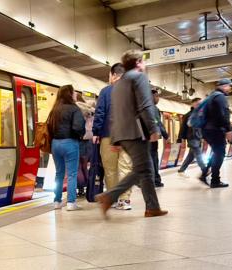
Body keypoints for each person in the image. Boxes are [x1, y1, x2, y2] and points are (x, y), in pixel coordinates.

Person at [95, 50, 168, 218]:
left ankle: (152, 207)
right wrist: (154, 129)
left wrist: (114, 139)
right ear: (138, 62)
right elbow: (145, 105)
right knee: (142, 169)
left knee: (145, 170)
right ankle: (109, 196)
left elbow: (115, 113)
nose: (145, 64)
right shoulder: (138, 77)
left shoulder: (117, 84)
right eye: (143, 61)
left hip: (121, 133)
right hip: (135, 132)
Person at [92, 63, 133, 210]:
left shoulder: (105, 91)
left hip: (108, 136)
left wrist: (96, 132)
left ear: (113, 75)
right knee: (126, 168)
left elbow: (100, 113)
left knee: (110, 169)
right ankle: (125, 200)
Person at [48, 85, 85, 211]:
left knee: (59, 174)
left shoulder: (54, 110)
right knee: (72, 174)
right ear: (69, 94)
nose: (75, 94)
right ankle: (71, 202)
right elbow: (78, 127)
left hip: (55, 144)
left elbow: (49, 128)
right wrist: (80, 136)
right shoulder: (74, 109)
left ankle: (57, 202)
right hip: (70, 143)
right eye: (74, 92)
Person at [200, 78, 232, 188]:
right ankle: (215, 180)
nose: (230, 89)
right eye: (229, 86)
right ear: (224, 86)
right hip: (215, 130)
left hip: (208, 130)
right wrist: (228, 129)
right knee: (220, 154)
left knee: (216, 153)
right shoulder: (220, 97)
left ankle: (205, 173)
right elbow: (222, 114)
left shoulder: (212, 95)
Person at [177, 98, 207, 177]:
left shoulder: (200, 114)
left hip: (198, 138)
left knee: (191, 156)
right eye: (198, 104)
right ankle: (205, 170)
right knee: (198, 154)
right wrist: (181, 139)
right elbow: (183, 127)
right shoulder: (188, 115)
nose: (200, 105)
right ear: (192, 104)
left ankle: (181, 170)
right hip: (192, 137)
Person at [150, 90, 169, 187]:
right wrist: (166, 135)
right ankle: (154, 180)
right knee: (153, 159)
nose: (158, 98)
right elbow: (158, 123)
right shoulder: (153, 108)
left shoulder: (145, 107)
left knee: (151, 158)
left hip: (148, 138)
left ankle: (154, 180)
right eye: (156, 96)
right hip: (151, 138)